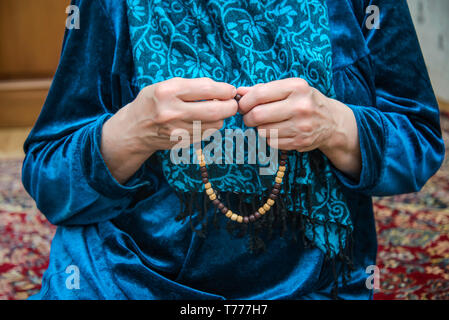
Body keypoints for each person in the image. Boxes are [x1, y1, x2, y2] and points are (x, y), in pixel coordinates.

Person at [22, 0, 444, 300]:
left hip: (310, 286)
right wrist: (132, 131)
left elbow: (419, 141)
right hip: (126, 277)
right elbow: (50, 177)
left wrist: (336, 126)